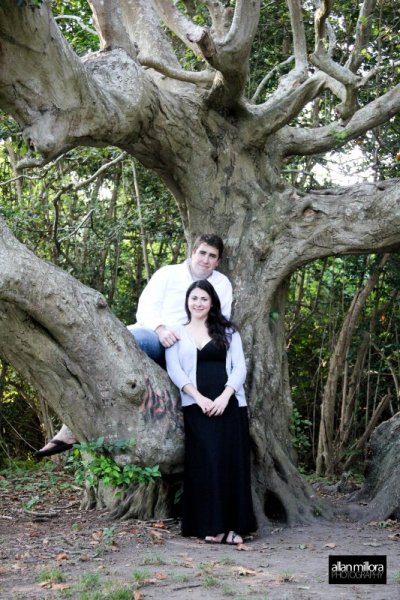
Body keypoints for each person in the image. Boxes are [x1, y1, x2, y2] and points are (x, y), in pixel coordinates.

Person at [34, 234, 232, 458]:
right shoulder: (168, 274)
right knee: (124, 342)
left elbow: (220, 320)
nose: (205, 259)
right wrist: (160, 329)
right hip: (158, 336)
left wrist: (190, 339)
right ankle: (71, 427)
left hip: (190, 348)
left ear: (218, 261)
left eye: (212, 256)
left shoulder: (221, 284)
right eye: (202, 253)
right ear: (193, 252)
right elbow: (146, 308)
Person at [166, 279, 256, 544]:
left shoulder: (228, 332)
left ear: (212, 302)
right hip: (197, 408)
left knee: (232, 465)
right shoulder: (177, 333)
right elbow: (175, 370)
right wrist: (200, 398)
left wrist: (225, 396)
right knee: (207, 466)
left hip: (230, 407)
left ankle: (235, 527)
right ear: (187, 301)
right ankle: (212, 527)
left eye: (204, 299)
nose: (198, 303)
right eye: (194, 298)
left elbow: (240, 367)